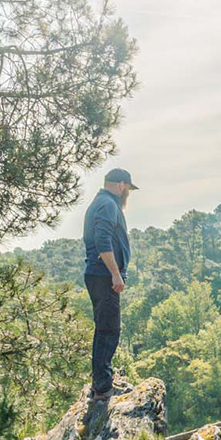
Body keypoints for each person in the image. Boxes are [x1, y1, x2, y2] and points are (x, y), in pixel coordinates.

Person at [82, 167, 138, 406]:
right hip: (103, 275)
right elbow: (102, 239)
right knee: (109, 330)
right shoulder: (108, 204)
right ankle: (103, 389)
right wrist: (115, 273)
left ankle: (102, 381)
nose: (128, 194)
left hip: (99, 274)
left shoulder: (102, 202)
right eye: (128, 189)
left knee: (104, 328)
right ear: (122, 185)